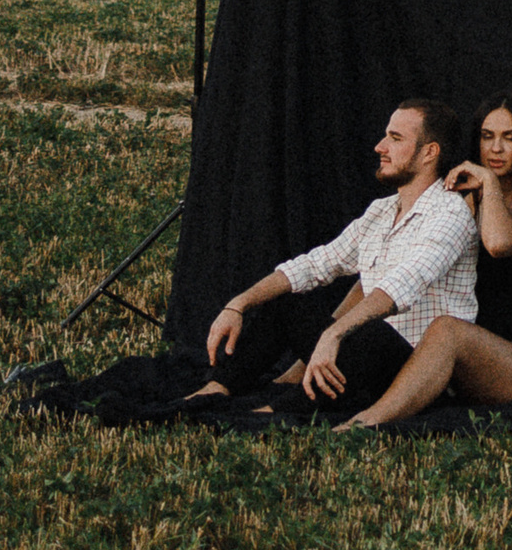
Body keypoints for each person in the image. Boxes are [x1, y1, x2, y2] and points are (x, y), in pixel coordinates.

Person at [188, 96, 476, 413]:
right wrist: (238, 304)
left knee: (372, 338)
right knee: (287, 303)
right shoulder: (381, 211)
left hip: (417, 369)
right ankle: (217, 388)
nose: (380, 147)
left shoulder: (450, 212)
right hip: (364, 356)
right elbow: (316, 264)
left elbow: (402, 286)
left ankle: (277, 412)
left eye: (395, 139)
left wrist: (334, 333)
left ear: (429, 152)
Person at [341, 96, 512, 426]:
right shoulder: (465, 201)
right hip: (473, 355)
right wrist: (334, 332)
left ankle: (366, 424)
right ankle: (299, 371)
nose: (496, 148)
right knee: (378, 275)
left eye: (509, 137)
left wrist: (488, 181)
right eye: (487, 136)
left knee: (447, 330)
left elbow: (498, 244)